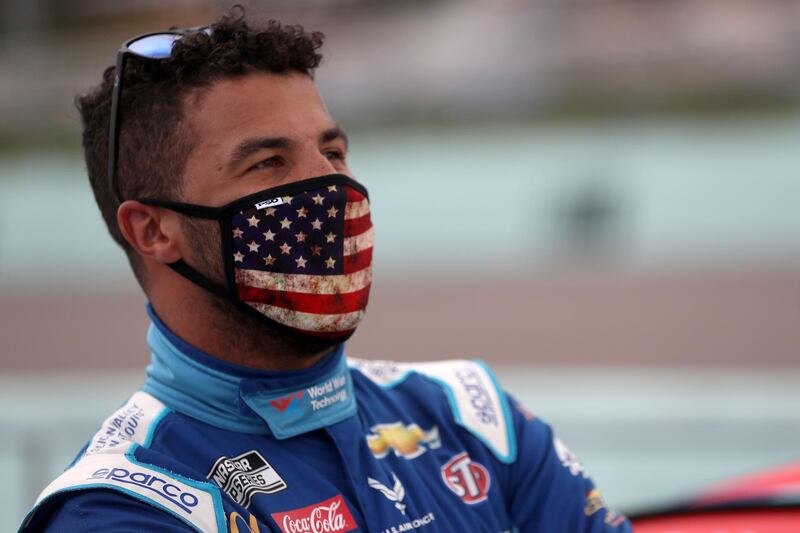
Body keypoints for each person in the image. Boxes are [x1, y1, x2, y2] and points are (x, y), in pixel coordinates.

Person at [19, 8, 630, 533]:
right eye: (268, 163)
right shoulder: (121, 507)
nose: (332, 187)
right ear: (153, 230)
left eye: (332, 152)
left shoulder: (472, 414)